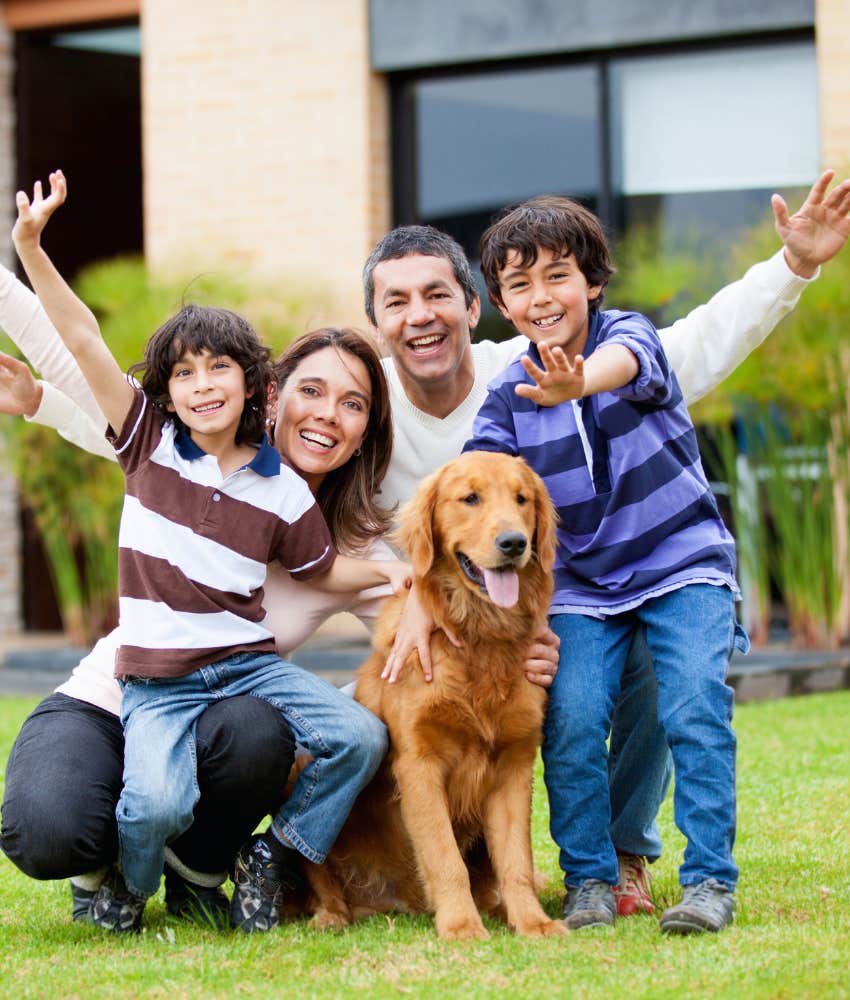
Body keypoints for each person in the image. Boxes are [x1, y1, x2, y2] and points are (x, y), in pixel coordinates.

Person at [6, 171, 850, 918]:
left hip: (252, 691)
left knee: (632, 654)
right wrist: (41, 395)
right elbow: (119, 410)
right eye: (396, 303)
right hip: (130, 686)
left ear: (472, 305)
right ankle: (153, 859)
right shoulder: (249, 451)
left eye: (437, 295)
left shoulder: (519, 375)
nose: (326, 416)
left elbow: (686, 349)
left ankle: (619, 857)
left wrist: (795, 267)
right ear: (371, 326)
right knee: (52, 828)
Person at [10, 170, 409, 934]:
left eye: (352, 403)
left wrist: (404, 574)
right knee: (130, 806)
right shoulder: (153, 449)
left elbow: (326, 570)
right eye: (184, 374)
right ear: (280, 392)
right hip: (145, 680)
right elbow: (80, 345)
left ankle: (269, 855)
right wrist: (29, 248)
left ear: (252, 383)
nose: (201, 384)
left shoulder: (287, 496)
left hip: (243, 673)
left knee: (356, 734)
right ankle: (120, 884)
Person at [465, 194, 747, 934]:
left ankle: (710, 880)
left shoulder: (629, 337)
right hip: (584, 586)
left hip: (681, 560)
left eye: (557, 276)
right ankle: (589, 878)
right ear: (500, 302)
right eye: (519, 285)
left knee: (692, 704)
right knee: (575, 719)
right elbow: (476, 481)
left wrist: (578, 381)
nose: (541, 297)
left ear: (591, 282)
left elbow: (625, 364)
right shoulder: (504, 395)